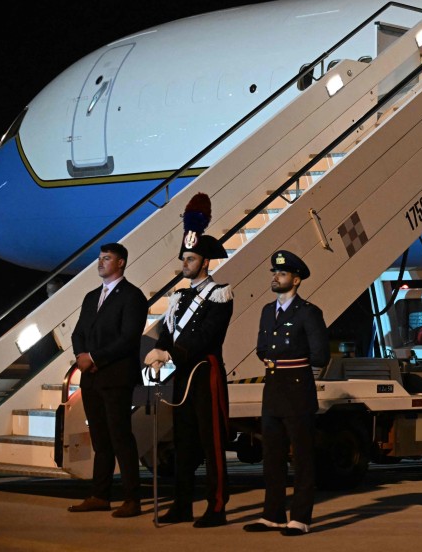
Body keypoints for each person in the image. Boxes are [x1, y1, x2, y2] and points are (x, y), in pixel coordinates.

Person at [145, 193, 233, 528]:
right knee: (182, 443)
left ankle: (217, 507)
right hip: (182, 376)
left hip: (205, 373)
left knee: (211, 444)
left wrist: (170, 352)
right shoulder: (178, 298)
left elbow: (205, 337)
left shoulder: (220, 295)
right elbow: (169, 334)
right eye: (184, 258)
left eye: (191, 258)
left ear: (205, 262)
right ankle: (182, 505)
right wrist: (157, 351)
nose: (185, 263)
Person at [243, 250, 329, 537]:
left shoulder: (308, 313)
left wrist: (286, 357)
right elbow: (261, 349)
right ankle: (273, 514)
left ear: (296, 280)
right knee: (272, 458)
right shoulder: (268, 311)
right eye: (274, 273)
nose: (275, 277)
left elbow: (320, 355)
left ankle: (300, 518)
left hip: (297, 391)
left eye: (281, 274)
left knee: (302, 459)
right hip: (273, 392)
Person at [68, 242, 148, 518]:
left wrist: (95, 357)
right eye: (100, 258)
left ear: (121, 263)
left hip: (115, 378)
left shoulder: (133, 297)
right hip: (90, 379)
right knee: (100, 440)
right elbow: (78, 332)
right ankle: (99, 495)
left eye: (107, 258)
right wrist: (81, 355)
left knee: (120, 437)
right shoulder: (91, 296)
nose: (100, 263)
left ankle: (132, 499)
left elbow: (127, 339)